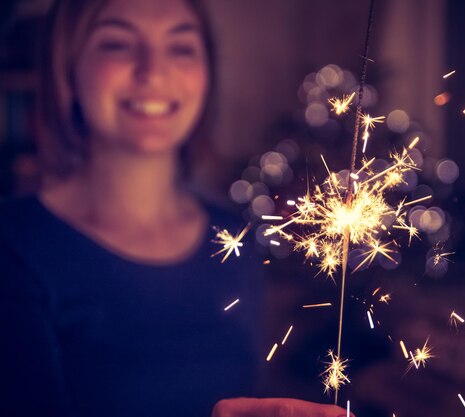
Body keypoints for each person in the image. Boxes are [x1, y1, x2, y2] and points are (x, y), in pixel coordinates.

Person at [0, 0, 350, 416]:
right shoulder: (15, 248)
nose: (154, 70)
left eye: (181, 48)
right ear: (68, 69)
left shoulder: (232, 241)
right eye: (117, 44)